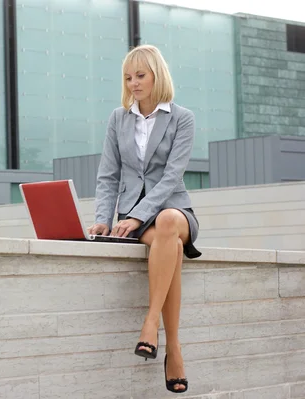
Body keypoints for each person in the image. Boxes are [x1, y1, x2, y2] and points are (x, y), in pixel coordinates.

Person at [87, 44, 202, 394]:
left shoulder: (182, 118)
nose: (133, 83)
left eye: (140, 76)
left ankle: (150, 323)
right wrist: (103, 219)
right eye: (128, 77)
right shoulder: (117, 118)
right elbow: (108, 175)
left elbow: (171, 177)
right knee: (169, 252)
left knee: (168, 224)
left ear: (156, 76)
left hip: (174, 210)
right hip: (136, 221)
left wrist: (136, 217)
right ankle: (174, 350)